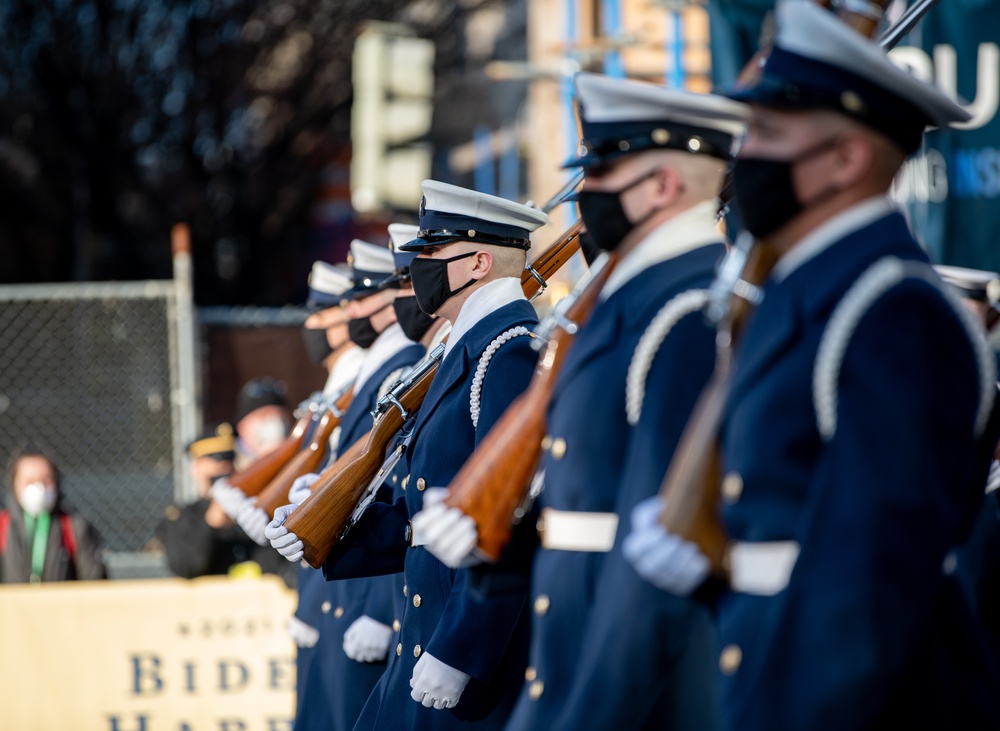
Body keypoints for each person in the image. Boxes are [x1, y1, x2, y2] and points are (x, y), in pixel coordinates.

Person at [623, 3, 1000, 728]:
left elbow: (866, 585)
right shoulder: (803, 291)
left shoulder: (895, 313)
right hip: (770, 663)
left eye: (767, 133)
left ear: (847, 159)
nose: (744, 155)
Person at [413, 72, 747, 730]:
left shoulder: (691, 308)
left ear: (664, 185)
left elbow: (668, 532)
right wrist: (497, 554)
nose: (583, 194)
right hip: (576, 651)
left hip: (640, 677)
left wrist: (595, 695)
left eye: (599, 172)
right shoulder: (622, 302)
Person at [267, 180, 547, 729]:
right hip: (422, 636)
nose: (418, 269)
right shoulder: (466, 349)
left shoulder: (507, 351)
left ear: (478, 263)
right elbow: (421, 512)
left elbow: (510, 516)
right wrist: (327, 533)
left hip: (460, 653)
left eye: (432, 253)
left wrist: (463, 650)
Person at [292, 234, 427, 731]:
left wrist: (374, 608)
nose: (352, 311)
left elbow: (399, 494)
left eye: (359, 299)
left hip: (372, 597)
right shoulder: (380, 370)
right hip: (345, 592)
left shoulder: (400, 368)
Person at [156, 423, 272, 579]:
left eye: (229, 458)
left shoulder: (254, 509)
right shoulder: (181, 517)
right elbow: (187, 567)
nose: (224, 466)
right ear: (196, 467)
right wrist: (210, 525)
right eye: (216, 459)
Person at [0, 446, 106, 583]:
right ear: (13, 484)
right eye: (29, 482)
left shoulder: (74, 526)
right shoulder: (3, 526)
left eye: (46, 480)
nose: (39, 488)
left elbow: (95, 581)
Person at [232, 377, 292, 470]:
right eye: (264, 415)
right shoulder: (227, 467)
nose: (274, 420)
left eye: (280, 414)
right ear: (242, 426)